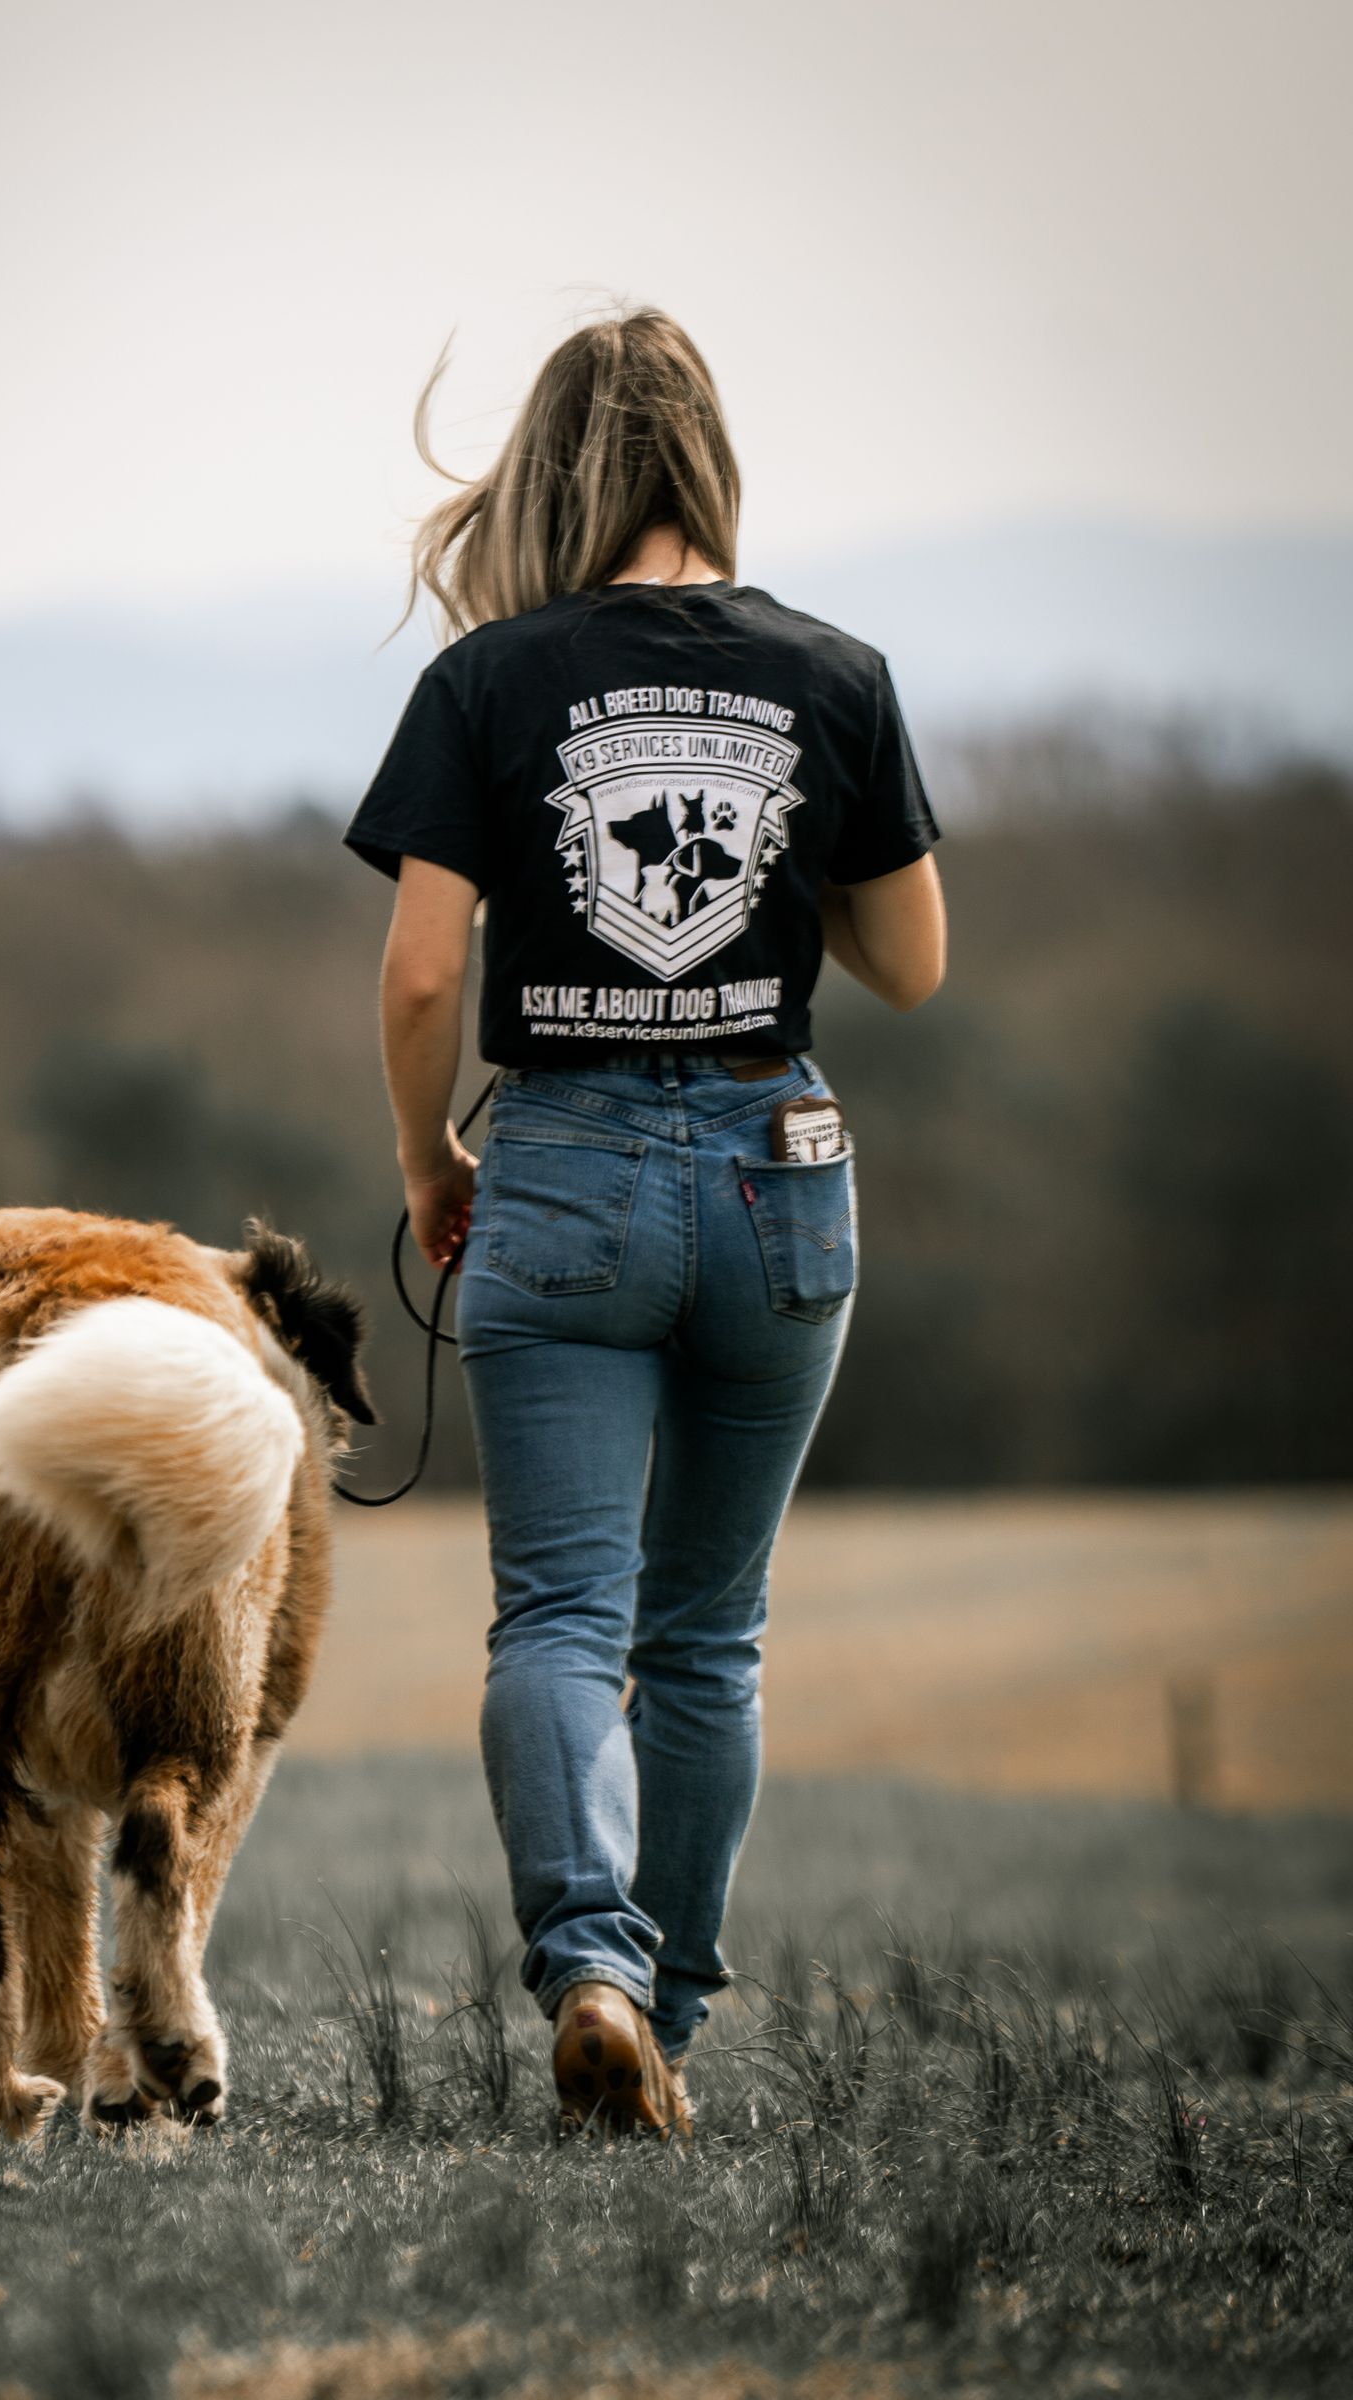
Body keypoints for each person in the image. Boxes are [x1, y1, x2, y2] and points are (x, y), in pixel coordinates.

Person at [343, 307, 946, 2137]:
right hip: (784, 1174)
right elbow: (913, 967)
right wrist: (784, 852)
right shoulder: (833, 672)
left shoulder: (491, 682)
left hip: (565, 1175)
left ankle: (593, 1973)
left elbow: (420, 970)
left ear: (548, 476)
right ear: (710, 463)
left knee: (557, 1623)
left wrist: (428, 1160)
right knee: (708, 1637)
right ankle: (666, 2017)